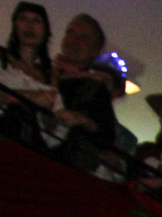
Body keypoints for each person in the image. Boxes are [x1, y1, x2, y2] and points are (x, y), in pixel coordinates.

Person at [0, 2, 59, 147]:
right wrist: (30, 97)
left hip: (29, 146)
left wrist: (55, 116)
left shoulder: (49, 75)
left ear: (45, 30)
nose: (29, 25)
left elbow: (50, 127)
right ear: (15, 25)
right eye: (23, 19)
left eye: (36, 20)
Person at [49, 14, 117, 173]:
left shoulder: (95, 89)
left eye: (83, 37)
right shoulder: (44, 72)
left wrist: (82, 120)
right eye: (70, 32)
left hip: (62, 168)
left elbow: (106, 136)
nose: (73, 40)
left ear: (95, 51)